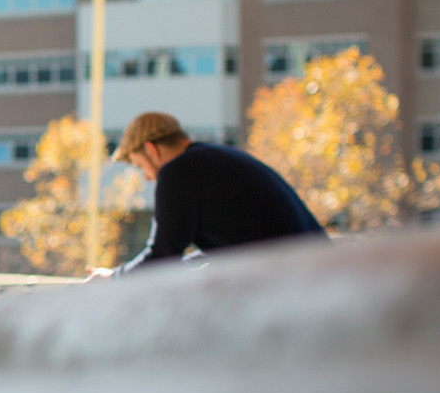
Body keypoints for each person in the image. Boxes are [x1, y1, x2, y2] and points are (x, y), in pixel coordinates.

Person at [110, 111, 324, 272]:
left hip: (294, 280)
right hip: (321, 270)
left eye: (140, 166)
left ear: (151, 149)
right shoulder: (218, 157)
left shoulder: (177, 172)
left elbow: (163, 256)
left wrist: (113, 278)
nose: (147, 177)